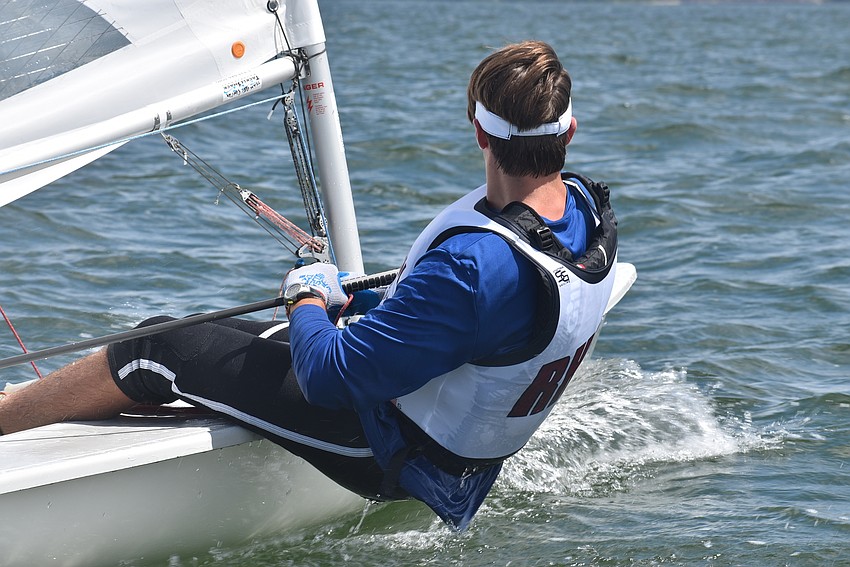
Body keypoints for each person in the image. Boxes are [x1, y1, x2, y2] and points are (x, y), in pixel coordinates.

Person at [0, 40, 618, 530]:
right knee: (227, 336)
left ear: (479, 132)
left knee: (154, 347)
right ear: (568, 132)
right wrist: (363, 301)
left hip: (394, 454)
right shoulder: (583, 212)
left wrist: (306, 297)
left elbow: (330, 378)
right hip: (457, 432)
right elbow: (479, 324)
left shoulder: (474, 269)